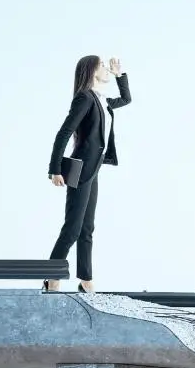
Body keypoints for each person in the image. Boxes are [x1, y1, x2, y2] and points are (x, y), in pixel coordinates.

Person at [44, 55, 132, 292]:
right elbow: (64, 133)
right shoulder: (84, 97)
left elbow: (126, 99)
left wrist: (119, 75)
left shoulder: (101, 100)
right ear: (92, 71)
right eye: (102, 65)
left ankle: (85, 279)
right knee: (73, 228)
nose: (106, 68)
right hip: (80, 169)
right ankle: (51, 276)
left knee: (86, 229)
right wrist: (55, 169)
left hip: (92, 170)